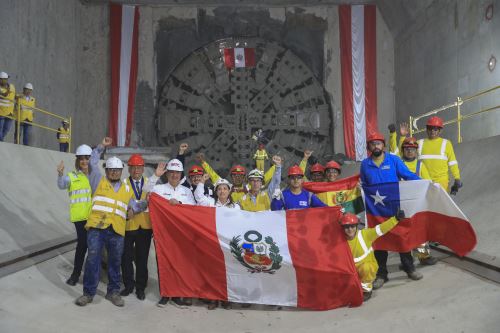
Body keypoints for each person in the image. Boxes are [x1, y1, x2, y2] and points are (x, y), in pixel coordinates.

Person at [75, 137, 147, 307]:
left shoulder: (126, 188)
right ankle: (88, 293)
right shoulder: (97, 180)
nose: (114, 172)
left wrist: (144, 203)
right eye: (111, 169)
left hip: (117, 230)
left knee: (115, 262)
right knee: (93, 259)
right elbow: (92, 161)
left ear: (122, 171)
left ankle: (113, 292)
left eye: (117, 170)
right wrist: (101, 147)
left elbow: (135, 206)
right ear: (106, 170)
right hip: (97, 228)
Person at [360, 131, 422, 290]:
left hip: (395, 208)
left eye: (378, 143)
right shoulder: (365, 164)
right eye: (373, 144)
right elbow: (364, 185)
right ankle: (381, 274)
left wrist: (424, 183)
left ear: (383, 145)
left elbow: (407, 175)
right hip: (376, 211)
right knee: (379, 240)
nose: (376, 146)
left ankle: (409, 268)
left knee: (401, 237)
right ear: (369, 147)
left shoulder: (393, 160)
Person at [148, 158, 196, 309]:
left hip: (181, 235)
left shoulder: (187, 192)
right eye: (172, 172)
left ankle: (176, 295)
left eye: (177, 172)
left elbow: (193, 211)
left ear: (181, 174)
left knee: (180, 264)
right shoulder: (159, 189)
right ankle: (165, 294)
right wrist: (155, 176)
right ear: (167, 174)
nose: (175, 175)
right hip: (163, 234)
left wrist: (180, 205)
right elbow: (145, 192)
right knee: (163, 263)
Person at [194, 176, 239, 310]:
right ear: (216, 191)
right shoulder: (210, 203)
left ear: (229, 191)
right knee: (213, 272)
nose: (222, 191)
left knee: (228, 273)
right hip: (212, 243)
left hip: (228, 245)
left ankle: (226, 298)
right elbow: (198, 197)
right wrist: (201, 182)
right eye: (219, 189)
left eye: (225, 189)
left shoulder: (236, 207)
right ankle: (213, 298)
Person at [339, 211, 405, 301]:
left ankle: (366, 289)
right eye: (346, 227)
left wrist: (395, 219)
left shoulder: (365, 235)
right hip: (350, 269)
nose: (350, 229)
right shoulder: (339, 240)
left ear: (356, 226)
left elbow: (381, 229)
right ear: (342, 228)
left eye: (352, 226)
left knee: (366, 268)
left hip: (366, 266)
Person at [57, 144, 93, 286]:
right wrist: (60, 174)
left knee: (94, 247)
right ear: (78, 161)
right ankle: (76, 274)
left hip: (95, 218)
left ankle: (90, 276)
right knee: (83, 246)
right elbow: (61, 185)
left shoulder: (96, 177)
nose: (84, 161)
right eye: (81, 159)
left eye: (87, 158)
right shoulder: (72, 177)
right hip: (80, 219)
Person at [120, 154, 152, 301]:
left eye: (139, 167)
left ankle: (140, 287)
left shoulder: (150, 183)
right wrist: (127, 211)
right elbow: (120, 202)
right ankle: (128, 285)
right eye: (133, 167)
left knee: (142, 258)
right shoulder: (123, 184)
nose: (136, 170)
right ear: (129, 168)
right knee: (126, 257)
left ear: (143, 168)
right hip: (128, 225)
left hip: (145, 226)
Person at [196, 152, 277, 202]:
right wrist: (203, 162)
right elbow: (213, 175)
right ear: (231, 177)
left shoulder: (250, 187)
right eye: (235, 175)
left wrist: (276, 166)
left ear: (244, 178)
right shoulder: (226, 187)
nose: (237, 177)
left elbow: (265, 178)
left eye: (240, 175)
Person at [417, 116, 462, 194]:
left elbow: (452, 162)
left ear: (440, 131)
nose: (432, 131)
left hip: (442, 183)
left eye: (435, 129)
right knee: (426, 206)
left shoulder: (446, 143)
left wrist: (457, 178)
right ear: (426, 129)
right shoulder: (419, 143)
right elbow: (406, 157)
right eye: (430, 128)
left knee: (440, 206)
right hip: (423, 182)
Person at [0, 71, 16, 141]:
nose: (6, 80)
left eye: (7, 79)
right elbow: (4, 95)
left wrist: (18, 96)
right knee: (0, 128)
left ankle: (1, 139)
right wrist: (7, 92)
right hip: (1, 112)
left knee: (7, 129)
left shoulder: (12, 86)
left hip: (10, 113)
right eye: (4, 79)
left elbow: (14, 96)